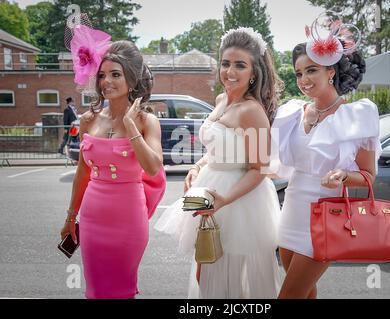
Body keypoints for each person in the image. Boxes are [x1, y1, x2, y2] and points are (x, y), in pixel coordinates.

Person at [155, 27, 283, 298]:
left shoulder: (252, 112)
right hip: (209, 193)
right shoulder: (221, 100)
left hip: (239, 202)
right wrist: (197, 167)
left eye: (240, 65)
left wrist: (223, 200)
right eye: (226, 64)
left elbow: (260, 169)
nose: (230, 72)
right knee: (205, 271)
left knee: (229, 279)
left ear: (254, 72)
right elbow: (216, 150)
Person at [270, 13, 382, 299]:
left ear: (331, 71)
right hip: (291, 213)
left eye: (312, 70)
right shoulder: (293, 113)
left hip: (324, 220)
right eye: (298, 73)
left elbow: (369, 176)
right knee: (306, 294)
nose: (304, 79)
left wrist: (344, 176)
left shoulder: (357, 116)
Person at [59, 21, 166, 299]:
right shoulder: (88, 120)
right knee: (95, 291)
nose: (106, 82)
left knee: (122, 289)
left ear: (131, 78)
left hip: (129, 219)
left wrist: (131, 128)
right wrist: (71, 216)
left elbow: (153, 167)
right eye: (103, 75)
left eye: (115, 74)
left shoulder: (146, 121)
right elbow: (83, 171)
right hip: (93, 217)